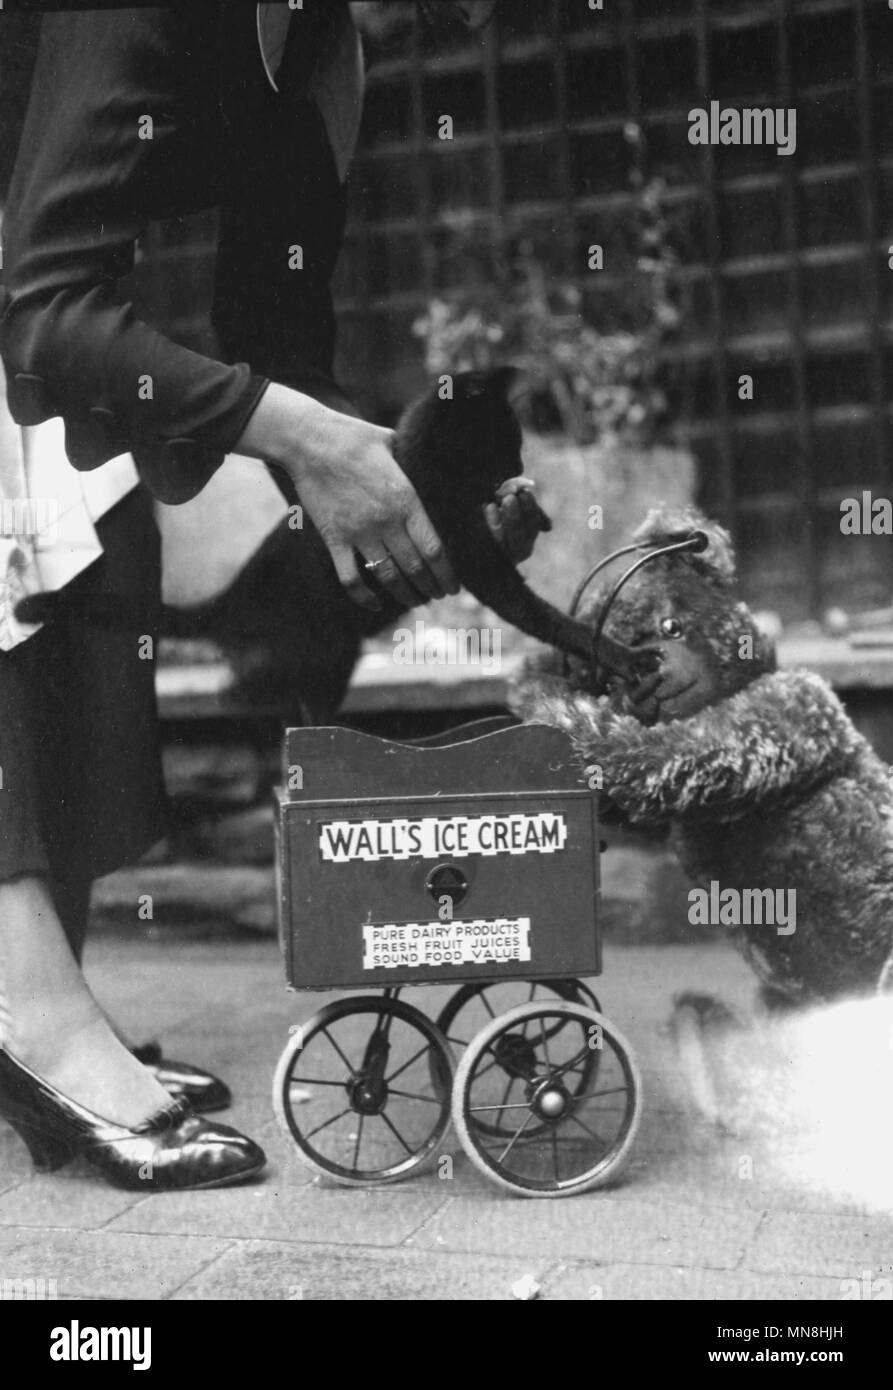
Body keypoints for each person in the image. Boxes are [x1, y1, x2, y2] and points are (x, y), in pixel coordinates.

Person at [0, 1, 536, 1190]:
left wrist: (390, 488)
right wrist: (309, 444)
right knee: (17, 510)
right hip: (19, 279)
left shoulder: (326, 51)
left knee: (99, 539)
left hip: (23, 273)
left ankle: (49, 1005)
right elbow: (45, 312)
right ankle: (29, 1014)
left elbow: (274, 340)